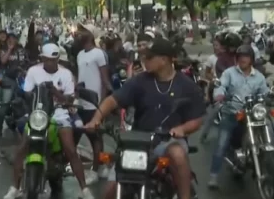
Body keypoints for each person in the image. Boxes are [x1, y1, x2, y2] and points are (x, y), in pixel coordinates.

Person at [85, 38, 205, 199]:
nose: (144, 61)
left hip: (168, 140)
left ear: (164, 60)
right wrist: (96, 119)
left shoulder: (187, 86)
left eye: (149, 58)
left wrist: (182, 129)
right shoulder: (140, 81)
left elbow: (197, 119)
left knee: (177, 153)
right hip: (138, 141)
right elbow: (113, 100)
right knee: (110, 191)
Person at [3, 43, 93, 199]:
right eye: (48, 59)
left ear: (58, 58)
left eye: (54, 59)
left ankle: (84, 190)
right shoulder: (33, 71)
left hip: (59, 114)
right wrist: (38, 93)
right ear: (42, 58)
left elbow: (69, 99)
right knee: (22, 148)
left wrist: (54, 91)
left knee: (70, 150)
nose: (51, 62)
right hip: (38, 114)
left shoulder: (66, 74)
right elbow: (26, 94)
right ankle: (14, 188)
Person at [208, 45, 269, 188]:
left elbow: (264, 91)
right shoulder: (229, 73)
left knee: (265, 129)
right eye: (240, 56)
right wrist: (219, 94)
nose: (243, 59)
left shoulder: (259, 77)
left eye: (246, 57)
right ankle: (213, 176)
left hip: (251, 114)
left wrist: (271, 95)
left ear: (252, 59)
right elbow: (221, 85)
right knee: (222, 144)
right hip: (232, 112)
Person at [75, 23, 110, 181]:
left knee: (95, 137)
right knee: (78, 134)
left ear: (90, 34)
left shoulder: (99, 54)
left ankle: (96, 170)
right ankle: (101, 166)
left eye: (83, 31)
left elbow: (105, 80)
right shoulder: (80, 54)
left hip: (94, 103)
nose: (79, 33)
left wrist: (102, 105)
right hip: (81, 102)